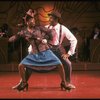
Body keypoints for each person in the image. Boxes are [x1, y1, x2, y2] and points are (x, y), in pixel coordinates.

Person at [9, 12, 70, 92]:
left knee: (59, 64)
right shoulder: (24, 32)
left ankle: (63, 83)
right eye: (31, 20)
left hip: (45, 51)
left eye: (34, 20)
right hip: (34, 54)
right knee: (21, 65)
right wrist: (15, 37)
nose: (33, 22)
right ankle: (24, 83)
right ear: (27, 22)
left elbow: (52, 32)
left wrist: (46, 38)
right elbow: (13, 38)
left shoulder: (39, 28)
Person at [28, 10, 77, 89]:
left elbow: (74, 40)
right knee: (30, 62)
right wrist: (31, 49)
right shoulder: (46, 28)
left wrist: (69, 53)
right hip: (46, 49)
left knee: (68, 64)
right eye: (49, 18)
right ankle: (23, 82)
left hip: (57, 50)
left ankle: (66, 83)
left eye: (51, 18)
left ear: (56, 19)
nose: (49, 20)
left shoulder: (63, 28)